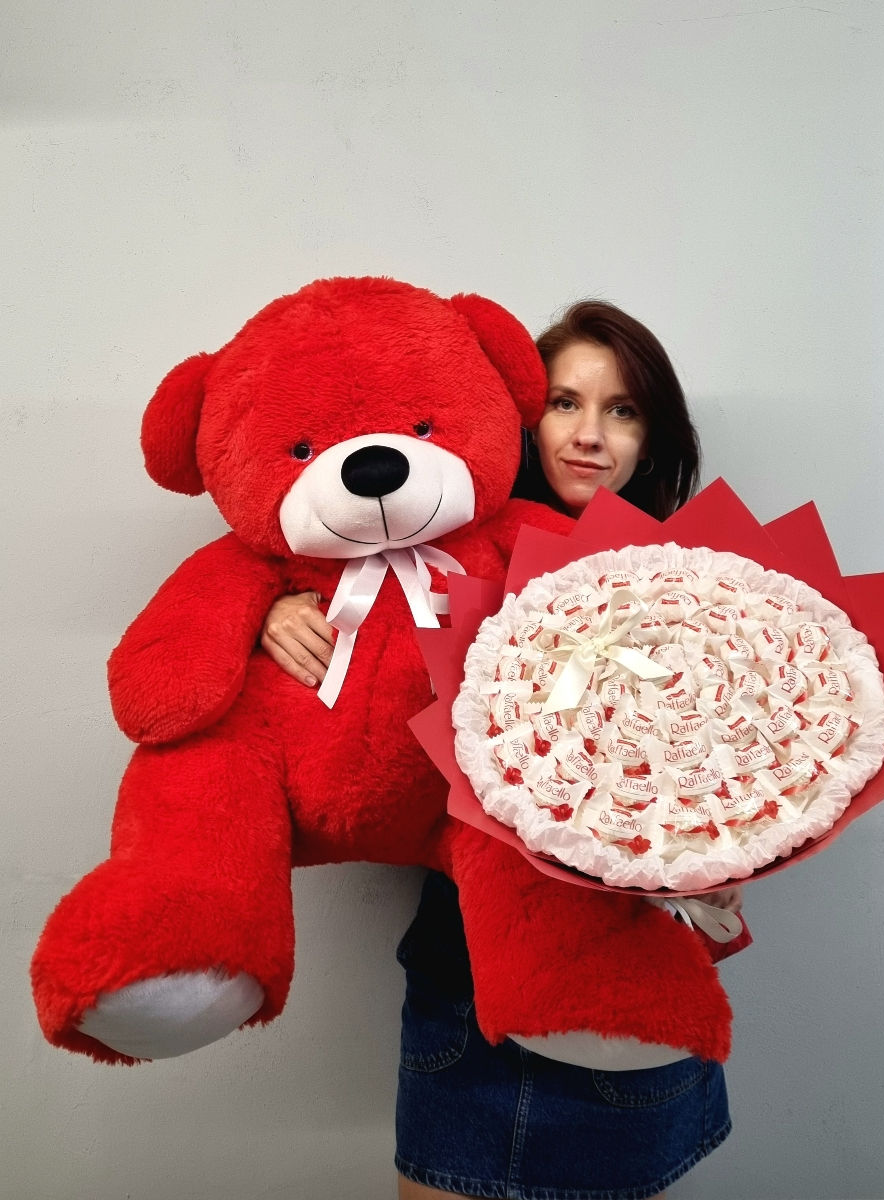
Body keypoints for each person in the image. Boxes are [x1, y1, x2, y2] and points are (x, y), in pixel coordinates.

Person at [259, 300, 744, 1200]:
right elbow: (330, 600)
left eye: (622, 410)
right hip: (466, 968)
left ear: (652, 438)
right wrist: (276, 609)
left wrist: (726, 860)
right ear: (524, 414)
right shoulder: (431, 546)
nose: (589, 434)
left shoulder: (700, 585)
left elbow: (753, 771)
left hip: (626, 969)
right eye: (564, 402)